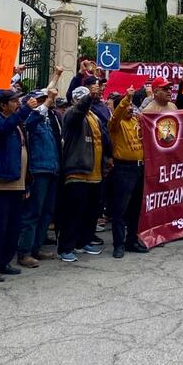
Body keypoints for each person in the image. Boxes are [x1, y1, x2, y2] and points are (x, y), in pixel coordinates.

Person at [0, 90, 36, 282]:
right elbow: (0, 130)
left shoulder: (17, 124)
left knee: (13, 227)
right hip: (0, 184)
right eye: (14, 101)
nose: (18, 103)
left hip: (17, 184)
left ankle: (4, 262)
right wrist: (23, 112)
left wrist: (26, 183)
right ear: (3, 105)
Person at [57, 86, 105, 262]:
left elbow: (102, 138)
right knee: (73, 213)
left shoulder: (94, 117)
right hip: (78, 171)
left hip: (95, 173)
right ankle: (66, 248)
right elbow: (79, 111)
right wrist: (89, 98)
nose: (89, 101)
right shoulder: (71, 114)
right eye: (85, 98)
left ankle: (83, 241)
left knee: (91, 211)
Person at [17, 86, 61, 268]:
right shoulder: (30, 119)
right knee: (33, 213)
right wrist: (49, 99)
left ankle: (36, 247)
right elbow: (34, 117)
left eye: (46, 99)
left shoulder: (48, 121)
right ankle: (24, 252)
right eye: (41, 100)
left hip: (52, 170)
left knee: (47, 212)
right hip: (38, 170)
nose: (45, 102)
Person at [107, 86, 150, 259]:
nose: (130, 107)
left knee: (135, 208)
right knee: (120, 209)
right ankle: (118, 245)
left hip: (139, 169)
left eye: (131, 104)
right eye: (127, 105)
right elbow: (116, 115)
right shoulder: (115, 125)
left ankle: (131, 240)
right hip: (123, 169)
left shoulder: (136, 121)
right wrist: (126, 98)